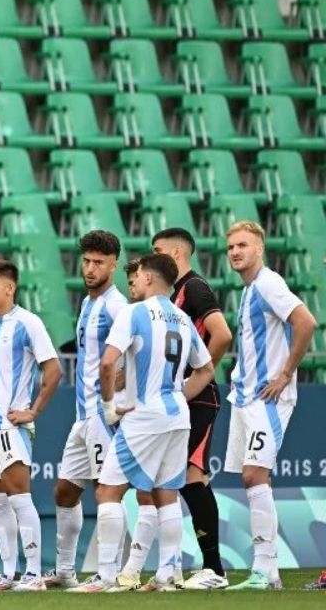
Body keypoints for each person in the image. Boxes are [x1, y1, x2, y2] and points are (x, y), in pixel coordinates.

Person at [69, 253, 217, 593]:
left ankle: (106, 577)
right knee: (166, 494)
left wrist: (108, 408)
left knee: (108, 491)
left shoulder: (133, 313)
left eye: (137, 277)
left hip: (143, 416)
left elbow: (108, 364)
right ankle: (169, 573)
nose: (133, 282)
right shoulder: (181, 318)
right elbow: (207, 369)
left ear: (149, 278)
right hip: (177, 416)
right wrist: (180, 391)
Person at [222, 221, 316, 591]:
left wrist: (285, 374)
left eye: (242, 245)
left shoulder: (268, 283)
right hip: (245, 397)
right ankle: (265, 570)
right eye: (230, 246)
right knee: (253, 477)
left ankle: (266, 570)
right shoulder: (248, 291)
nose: (235, 252)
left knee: (253, 474)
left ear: (259, 248)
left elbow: (306, 322)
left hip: (268, 398)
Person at [0, 260, 61, 592]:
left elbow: (53, 370)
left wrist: (32, 411)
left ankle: (33, 574)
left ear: (10, 288)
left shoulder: (28, 323)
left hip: (10, 426)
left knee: (19, 497)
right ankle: (7, 574)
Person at [148, 228, 233, 590]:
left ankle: (213, 568)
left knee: (191, 476)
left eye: (157, 251)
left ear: (176, 254)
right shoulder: (175, 294)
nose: (152, 258)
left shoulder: (194, 287)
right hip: (184, 396)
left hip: (198, 397)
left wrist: (201, 374)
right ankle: (189, 566)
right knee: (182, 478)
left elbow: (223, 334)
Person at [45, 231, 128, 588]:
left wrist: (115, 396)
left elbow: (134, 354)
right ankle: (65, 571)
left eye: (99, 263)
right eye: (87, 261)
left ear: (114, 265)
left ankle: (109, 573)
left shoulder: (116, 305)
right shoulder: (88, 304)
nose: (91, 269)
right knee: (65, 490)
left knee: (106, 490)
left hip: (102, 414)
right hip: (83, 415)